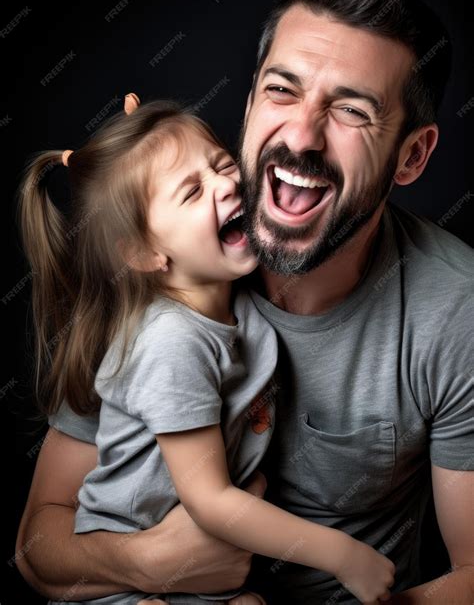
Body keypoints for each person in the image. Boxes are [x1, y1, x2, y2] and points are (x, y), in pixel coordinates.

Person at [16, 0, 473, 604]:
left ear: (412, 155)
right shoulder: (165, 278)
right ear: (252, 100)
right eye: (283, 90)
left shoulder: (456, 310)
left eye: (350, 110)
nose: (302, 137)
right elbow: (36, 551)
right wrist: (149, 563)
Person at [16, 93, 395, 605]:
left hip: (209, 575)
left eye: (220, 164)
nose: (227, 182)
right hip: (121, 580)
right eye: (192, 192)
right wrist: (343, 556)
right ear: (146, 253)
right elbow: (211, 501)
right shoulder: (173, 342)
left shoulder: (237, 308)